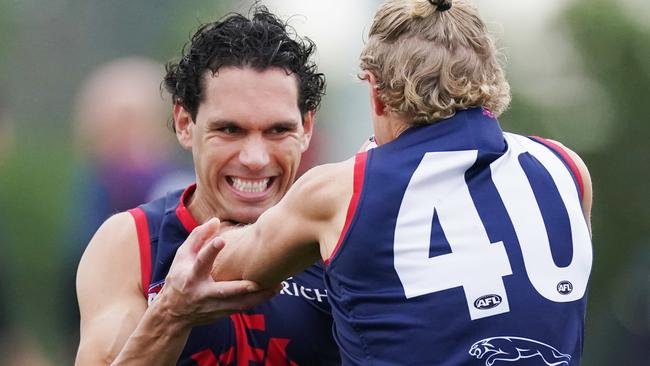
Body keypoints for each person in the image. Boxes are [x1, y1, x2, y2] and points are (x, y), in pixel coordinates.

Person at [211, 0, 594, 365]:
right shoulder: (565, 165)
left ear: (376, 92)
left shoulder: (343, 189)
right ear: (489, 78)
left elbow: (224, 267)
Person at [76, 6, 339, 365]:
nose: (255, 158)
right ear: (185, 124)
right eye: (230, 130)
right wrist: (172, 315)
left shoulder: (339, 240)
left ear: (306, 128)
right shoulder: (131, 242)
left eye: (278, 130)